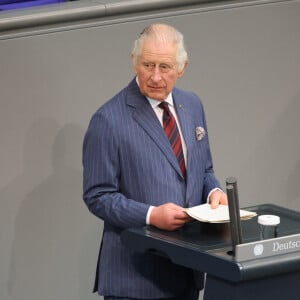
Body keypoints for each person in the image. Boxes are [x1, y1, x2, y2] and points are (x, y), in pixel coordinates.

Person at [82, 23, 228, 300]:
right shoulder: (108, 120)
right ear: (134, 62)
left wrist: (214, 192)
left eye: (165, 67)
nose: (156, 77)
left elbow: (204, 168)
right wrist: (150, 215)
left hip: (187, 271)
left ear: (182, 68)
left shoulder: (193, 104)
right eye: (148, 65)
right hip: (135, 280)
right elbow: (97, 196)